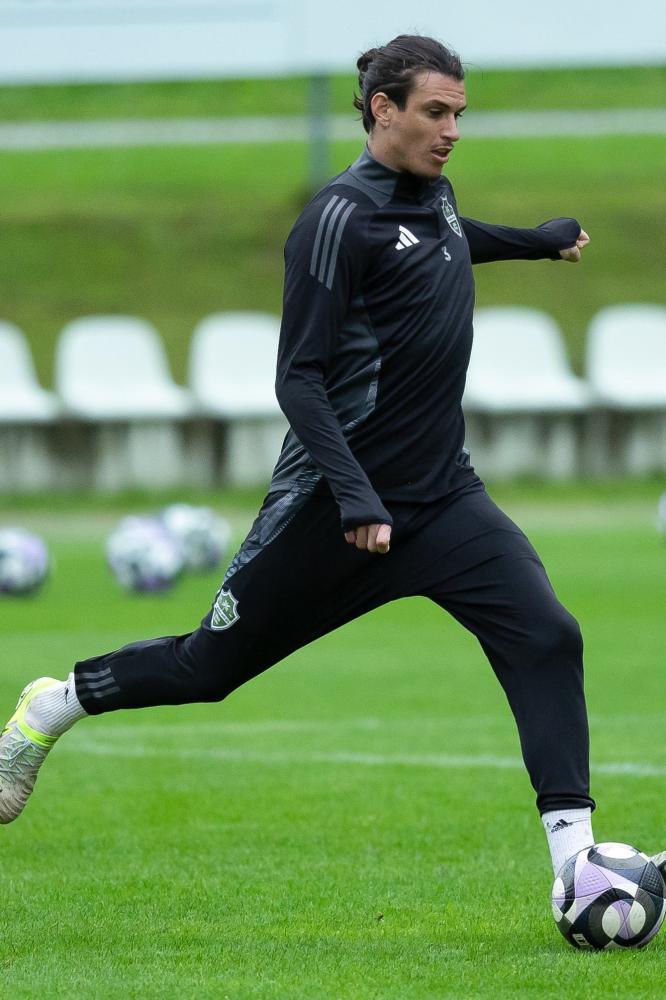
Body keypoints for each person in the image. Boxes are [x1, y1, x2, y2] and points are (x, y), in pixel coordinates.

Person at [1, 34, 663, 888]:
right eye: (435, 112)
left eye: (459, 114)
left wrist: (535, 241)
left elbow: (444, 240)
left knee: (547, 635)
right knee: (207, 668)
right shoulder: (335, 220)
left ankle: (576, 865)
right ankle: (53, 705)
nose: (452, 131)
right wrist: (356, 498)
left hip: (443, 501)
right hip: (335, 511)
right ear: (383, 109)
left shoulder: (434, 195)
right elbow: (299, 379)